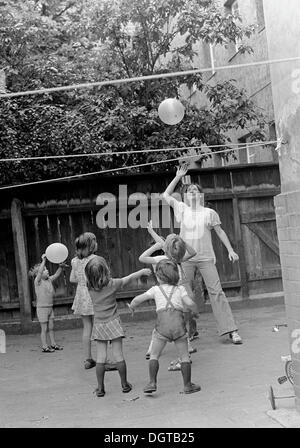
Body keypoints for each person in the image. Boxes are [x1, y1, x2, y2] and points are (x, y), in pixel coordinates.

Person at [162, 163, 242, 345]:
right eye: (189, 190)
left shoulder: (209, 213)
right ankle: (190, 331)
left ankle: (231, 330)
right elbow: (165, 195)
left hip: (206, 259)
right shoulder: (181, 209)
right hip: (185, 260)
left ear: (200, 195)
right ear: (185, 195)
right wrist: (177, 177)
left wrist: (230, 250)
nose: (192, 192)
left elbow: (220, 232)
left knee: (217, 293)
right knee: (186, 297)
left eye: (196, 190)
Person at [128, 259, 201, 395]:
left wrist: (132, 307)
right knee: (184, 356)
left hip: (162, 327)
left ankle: (152, 382)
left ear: (158, 276)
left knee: (154, 355)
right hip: (178, 326)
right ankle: (187, 385)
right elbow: (190, 303)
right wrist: (195, 312)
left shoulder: (155, 290)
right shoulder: (180, 289)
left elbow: (138, 299)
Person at [85, 255, 152, 397]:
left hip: (99, 325)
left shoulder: (89, 286)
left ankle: (100, 388)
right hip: (113, 323)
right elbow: (128, 278)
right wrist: (141, 272)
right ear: (106, 271)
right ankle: (124, 384)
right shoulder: (112, 284)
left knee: (101, 357)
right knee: (118, 355)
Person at [139, 222, 198, 360]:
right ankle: (157, 348)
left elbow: (144, 257)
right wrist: (179, 242)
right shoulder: (172, 258)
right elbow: (191, 252)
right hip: (174, 294)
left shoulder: (168, 258)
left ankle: (184, 345)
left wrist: (154, 239)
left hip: (174, 293)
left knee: (170, 320)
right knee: (175, 320)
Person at [70, 232, 98, 369]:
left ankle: (88, 359)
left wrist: (81, 279)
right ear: (92, 245)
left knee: (87, 327)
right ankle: (102, 356)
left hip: (81, 294)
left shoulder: (74, 261)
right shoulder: (95, 259)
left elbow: (72, 279)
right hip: (94, 293)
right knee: (99, 324)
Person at [29, 254, 66, 352]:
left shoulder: (49, 280)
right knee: (44, 329)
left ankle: (53, 344)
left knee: (51, 328)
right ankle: (45, 346)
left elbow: (57, 274)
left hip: (50, 308)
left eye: (46, 269)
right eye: (45, 269)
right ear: (38, 274)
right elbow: (40, 272)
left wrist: (60, 267)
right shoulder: (38, 282)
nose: (47, 270)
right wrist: (43, 261)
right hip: (42, 309)